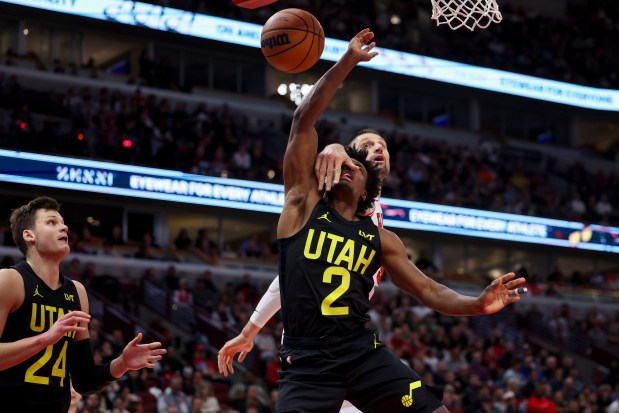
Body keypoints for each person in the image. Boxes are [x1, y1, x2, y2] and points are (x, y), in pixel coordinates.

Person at [219, 29, 526, 413]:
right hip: (307, 361)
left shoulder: (382, 237)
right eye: (353, 156)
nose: (354, 164)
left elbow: (430, 292)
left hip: (361, 352)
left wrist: (477, 305)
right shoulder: (302, 205)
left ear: (368, 189)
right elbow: (303, 121)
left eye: (362, 163)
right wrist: (347, 60)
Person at [0, 196, 167, 412]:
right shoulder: (9, 280)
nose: (64, 227)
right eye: (52, 222)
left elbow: (85, 380)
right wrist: (44, 339)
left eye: (63, 222)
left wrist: (122, 363)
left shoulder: (76, 292)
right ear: (29, 235)